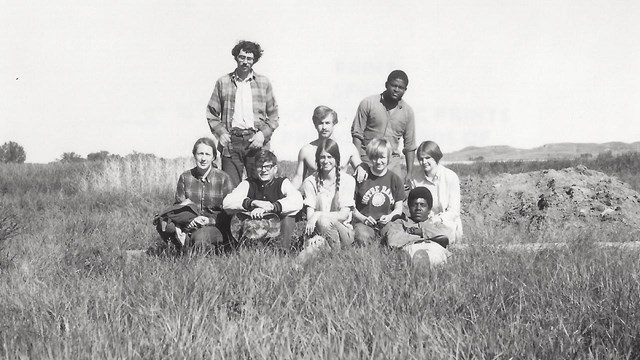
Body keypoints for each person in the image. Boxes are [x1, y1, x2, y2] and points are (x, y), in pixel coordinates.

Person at [206, 40, 279, 187]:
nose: (245, 62)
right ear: (236, 57)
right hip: (232, 143)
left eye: (249, 58)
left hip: (256, 142)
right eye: (242, 57)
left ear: (254, 60)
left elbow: (273, 116)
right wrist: (221, 134)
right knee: (231, 189)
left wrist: (262, 135)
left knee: (260, 186)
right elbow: (212, 112)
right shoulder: (223, 82)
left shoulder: (264, 83)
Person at [154, 137, 234, 253]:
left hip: (215, 226)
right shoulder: (185, 177)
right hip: (189, 224)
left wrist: (209, 220)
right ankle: (183, 250)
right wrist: (190, 220)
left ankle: (205, 249)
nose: (203, 158)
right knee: (165, 225)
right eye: (200, 154)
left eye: (207, 154)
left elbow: (229, 212)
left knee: (200, 238)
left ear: (213, 157)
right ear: (194, 155)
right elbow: (178, 206)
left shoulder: (223, 178)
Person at [223, 149, 303, 250]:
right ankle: (247, 250)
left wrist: (272, 207)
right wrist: (252, 203)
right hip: (254, 229)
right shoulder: (248, 183)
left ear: (275, 168)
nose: (264, 170)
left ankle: (282, 252)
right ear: (255, 169)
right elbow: (227, 203)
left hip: (277, 229)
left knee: (288, 217)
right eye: (260, 167)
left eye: (268, 166)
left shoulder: (282, 183)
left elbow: (297, 201)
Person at [351, 70, 416, 185]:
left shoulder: (408, 112)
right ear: (386, 84)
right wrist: (358, 163)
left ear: (405, 90)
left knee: (396, 198)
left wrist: (409, 174)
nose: (396, 89)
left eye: (400, 87)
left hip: (392, 164)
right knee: (364, 197)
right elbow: (357, 134)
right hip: (367, 160)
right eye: (393, 85)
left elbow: (410, 146)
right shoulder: (368, 103)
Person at [299, 139, 356, 260]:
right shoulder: (310, 181)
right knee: (310, 250)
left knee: (324, 220)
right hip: (318, 232)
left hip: (344, 232)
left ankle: (335, 255)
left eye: (330, 157)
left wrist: (318, 214)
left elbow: (343, 215)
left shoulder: (348, 180)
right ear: (317, 160)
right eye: (322, 157)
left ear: (336, 159)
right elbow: (310, 216)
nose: (326, 161)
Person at [291, 105, 366, 189]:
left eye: (327, 123)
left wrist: (360, 168)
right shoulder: (306, 150)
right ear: (315, 124)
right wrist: (289, 195)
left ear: (334, 123)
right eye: (320, 123)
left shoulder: (348, 148)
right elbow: (298, 178)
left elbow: (360, 168)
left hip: (340, 197)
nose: (324, 127)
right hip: (315, 198)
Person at [353, 138, 406, 246]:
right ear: (370, 157)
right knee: (361, 235)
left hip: (387, 222)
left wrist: (389, 217)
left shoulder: (394, 179)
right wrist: (363, 219)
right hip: (364, 223)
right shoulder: (361, 177)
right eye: (374, 157)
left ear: (389, 158)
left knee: (394, 234)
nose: (378, 161)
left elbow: (399, 209)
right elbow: (351, 208)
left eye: (382, 157)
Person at [384, 187, 452, 268]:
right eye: (414, 205)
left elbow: (446, 235)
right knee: (412, 256)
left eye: (422, 205)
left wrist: (419, 232)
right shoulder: (400, 223)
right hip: (411, 249)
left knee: (435, 255)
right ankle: (422, 271)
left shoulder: (435, 224)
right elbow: (393, 240)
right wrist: (429, 237)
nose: (418, 208)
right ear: (409, 208)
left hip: (434, 249)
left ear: (429, 209)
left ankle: (422, 270)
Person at [409, 140, 463, 242]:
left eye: (427, 158)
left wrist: (434, 220)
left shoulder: (450, 176)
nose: (424, 162)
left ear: (436, 157)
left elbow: (454, 211)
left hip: (444, 223)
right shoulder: (415, 178)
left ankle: (426, 237)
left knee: (445, 232)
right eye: (421, 159)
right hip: (423, 222)